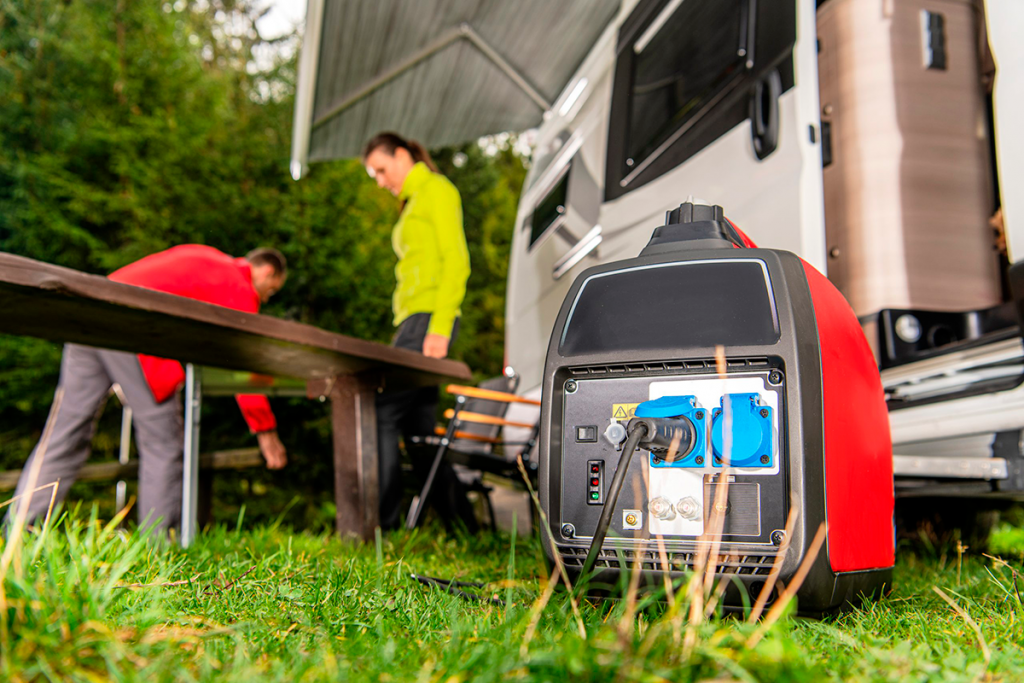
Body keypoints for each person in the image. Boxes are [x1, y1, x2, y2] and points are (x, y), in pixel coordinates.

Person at [10, 245, 289, 531]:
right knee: (164, 442)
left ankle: (18, 533)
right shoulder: (239, 284)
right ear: (267, 271)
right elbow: (243, 363)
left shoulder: (206, 256)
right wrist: (265, 430)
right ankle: (156, 547)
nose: (266, 297)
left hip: (89, 313)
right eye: (271, 289)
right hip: (130, 326)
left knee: (64, 432)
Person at [362, 132, 477, 532]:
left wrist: (441, 326)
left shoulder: (436, 189)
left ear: (404, 154)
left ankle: (380, 527)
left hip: (428, 319)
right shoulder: (413, 202)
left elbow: (457, 260)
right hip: (412, 321)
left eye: (381, 168)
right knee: (419, 431)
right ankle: (464, 527)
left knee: (381, 413)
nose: (379, 180)